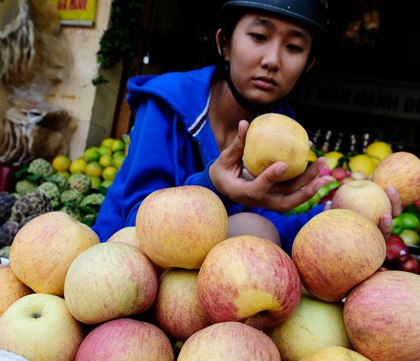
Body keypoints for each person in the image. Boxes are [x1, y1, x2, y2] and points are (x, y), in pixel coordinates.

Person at [93, 0, 401, 254]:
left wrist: (340, 219)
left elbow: (269, 226)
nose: (272, 60)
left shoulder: (283, 136)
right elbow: (135, 223)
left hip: (206, 280)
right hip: (123, 262)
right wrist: (214, 185)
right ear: (224, 44)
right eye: (258, 37)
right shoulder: (167, 103)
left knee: (257, 229)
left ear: (307, 65)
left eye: (293, 47)